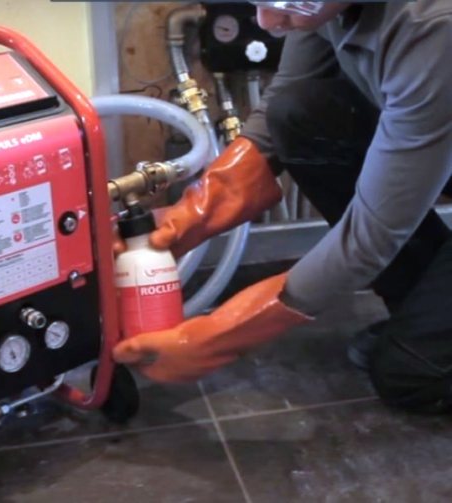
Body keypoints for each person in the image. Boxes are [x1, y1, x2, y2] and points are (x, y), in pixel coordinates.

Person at [113, 0, 452, 412]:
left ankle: (427, 342)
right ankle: (423, 316)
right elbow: (277, 113)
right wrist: (192, 216)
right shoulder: (325, 7)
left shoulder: (435, 26)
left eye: (284, 2)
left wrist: (216, 337)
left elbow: (370, 237)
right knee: (299, 113)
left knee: (411, 374)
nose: (267, 22)